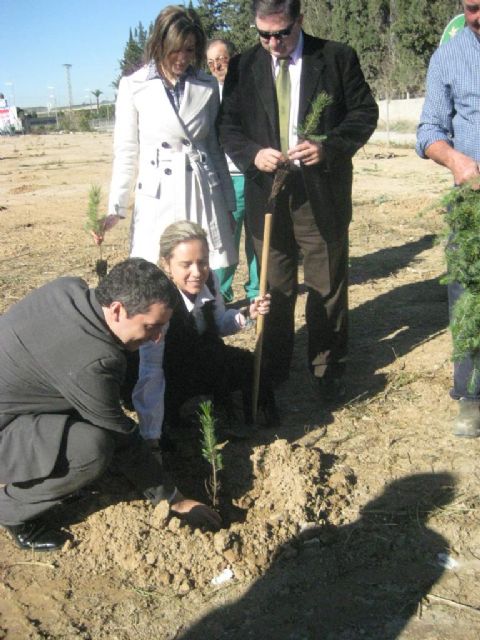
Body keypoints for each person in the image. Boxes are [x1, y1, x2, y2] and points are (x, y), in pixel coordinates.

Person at [0, 259, 221, 552]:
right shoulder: (94, 361)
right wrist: (173, 499)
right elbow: (122, 439)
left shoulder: (70, 290)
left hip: (18, 399)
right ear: (117, 309)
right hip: (6, 426)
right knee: (92, 448)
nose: (157, 337)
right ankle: (11, 510)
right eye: (151, 326)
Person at [218, 0, 378, 402]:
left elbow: (363, 113)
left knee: (326, 284)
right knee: (273, 287)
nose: (273, 42)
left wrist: (329, 147)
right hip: (266, 198)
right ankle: (272, 367)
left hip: (320, 195)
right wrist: (253, 154)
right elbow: (228, 126)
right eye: (264, 34)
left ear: (300, 21)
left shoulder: (337, 58)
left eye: (282, 33)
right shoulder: (242, 66)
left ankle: (326, 368)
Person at [96, 5, 236, 272]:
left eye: (190, 49)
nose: (182, 58)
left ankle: (207, 314)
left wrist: (228, 204)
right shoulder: (133, 86)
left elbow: (214, 148)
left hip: (201, 189)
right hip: (157, 193)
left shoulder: (206, 86)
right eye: (175, 49)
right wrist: (116, 206)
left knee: (201, 270)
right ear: (160, 44)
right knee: (156, 274)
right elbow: (125, 151)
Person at [132, 221, 276, 448]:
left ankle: (244, 418)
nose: (197, 273)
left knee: (249, 364)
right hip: (171, 367)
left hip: (203, 356)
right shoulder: (158, 300)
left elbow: (219, 323)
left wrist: (249, 312)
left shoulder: (211, 281)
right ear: (166, 265)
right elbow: (151, 368)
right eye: (186, 265)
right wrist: (151, 433)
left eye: (203, 263)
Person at [417, 2, 480, 437]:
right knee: (468, 297)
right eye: (473, 7)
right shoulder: (448, 56)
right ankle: (472, 396)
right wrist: (455, 159)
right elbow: (429, 131)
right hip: (472, 201)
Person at [207, 38, 260, 303]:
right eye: (211, 61)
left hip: (253, 174)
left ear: (233, 57)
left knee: (258, 239)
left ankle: (257, 292)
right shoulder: (207, 94)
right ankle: (221, 294)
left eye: (222, 58)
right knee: (225, 241)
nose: (217, 65)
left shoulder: (250, 88)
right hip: (225, 178)